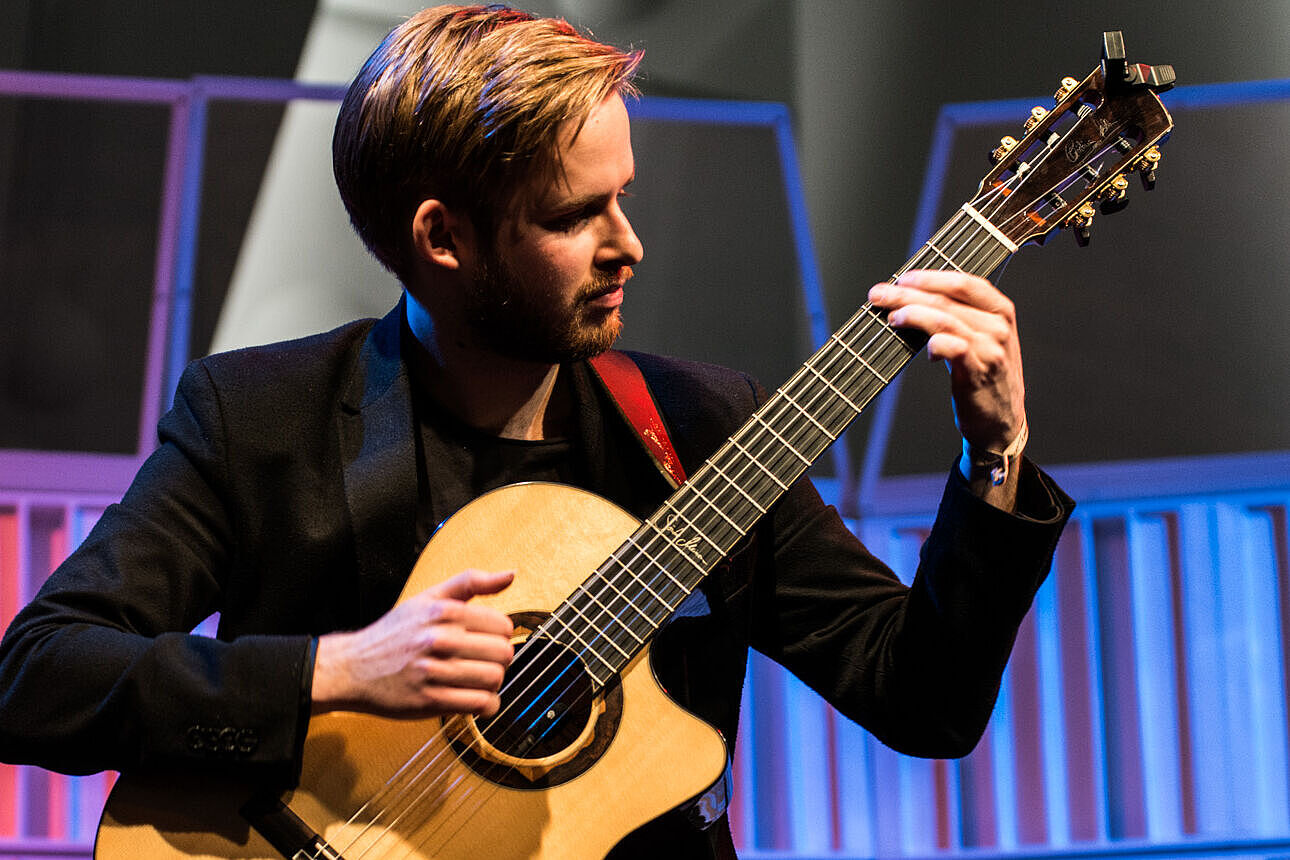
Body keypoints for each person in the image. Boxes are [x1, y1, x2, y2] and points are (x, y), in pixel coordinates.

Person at [0, 5, 1073, 858]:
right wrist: (336, 667)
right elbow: (38, 675)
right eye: (575, 217)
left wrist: (996, 455)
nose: (630, 245)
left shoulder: (704, 429)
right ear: (442, 237)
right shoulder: (258, 418)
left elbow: (926, 702)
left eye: (626, 198)